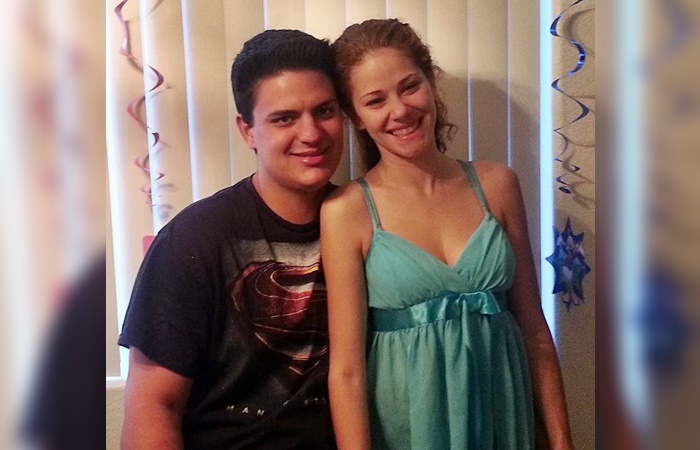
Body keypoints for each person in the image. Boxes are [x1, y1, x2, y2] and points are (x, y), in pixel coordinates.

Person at [321, 18, 574, 449]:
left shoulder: (497, 186)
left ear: (430, 82)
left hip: (502, 416)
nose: (400, 110)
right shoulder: (347, 212)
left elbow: (534, 331)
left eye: (409, 86)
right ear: (356, 118)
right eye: (375, 100)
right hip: (409, 425)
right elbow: (346, 371)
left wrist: (562, 441)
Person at [118, 29, 343, 449]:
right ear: (247, 130)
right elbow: (154, 406)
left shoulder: (368, 225)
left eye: (324, 111)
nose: (311, 133)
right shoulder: (194, 240)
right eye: (284, 118)